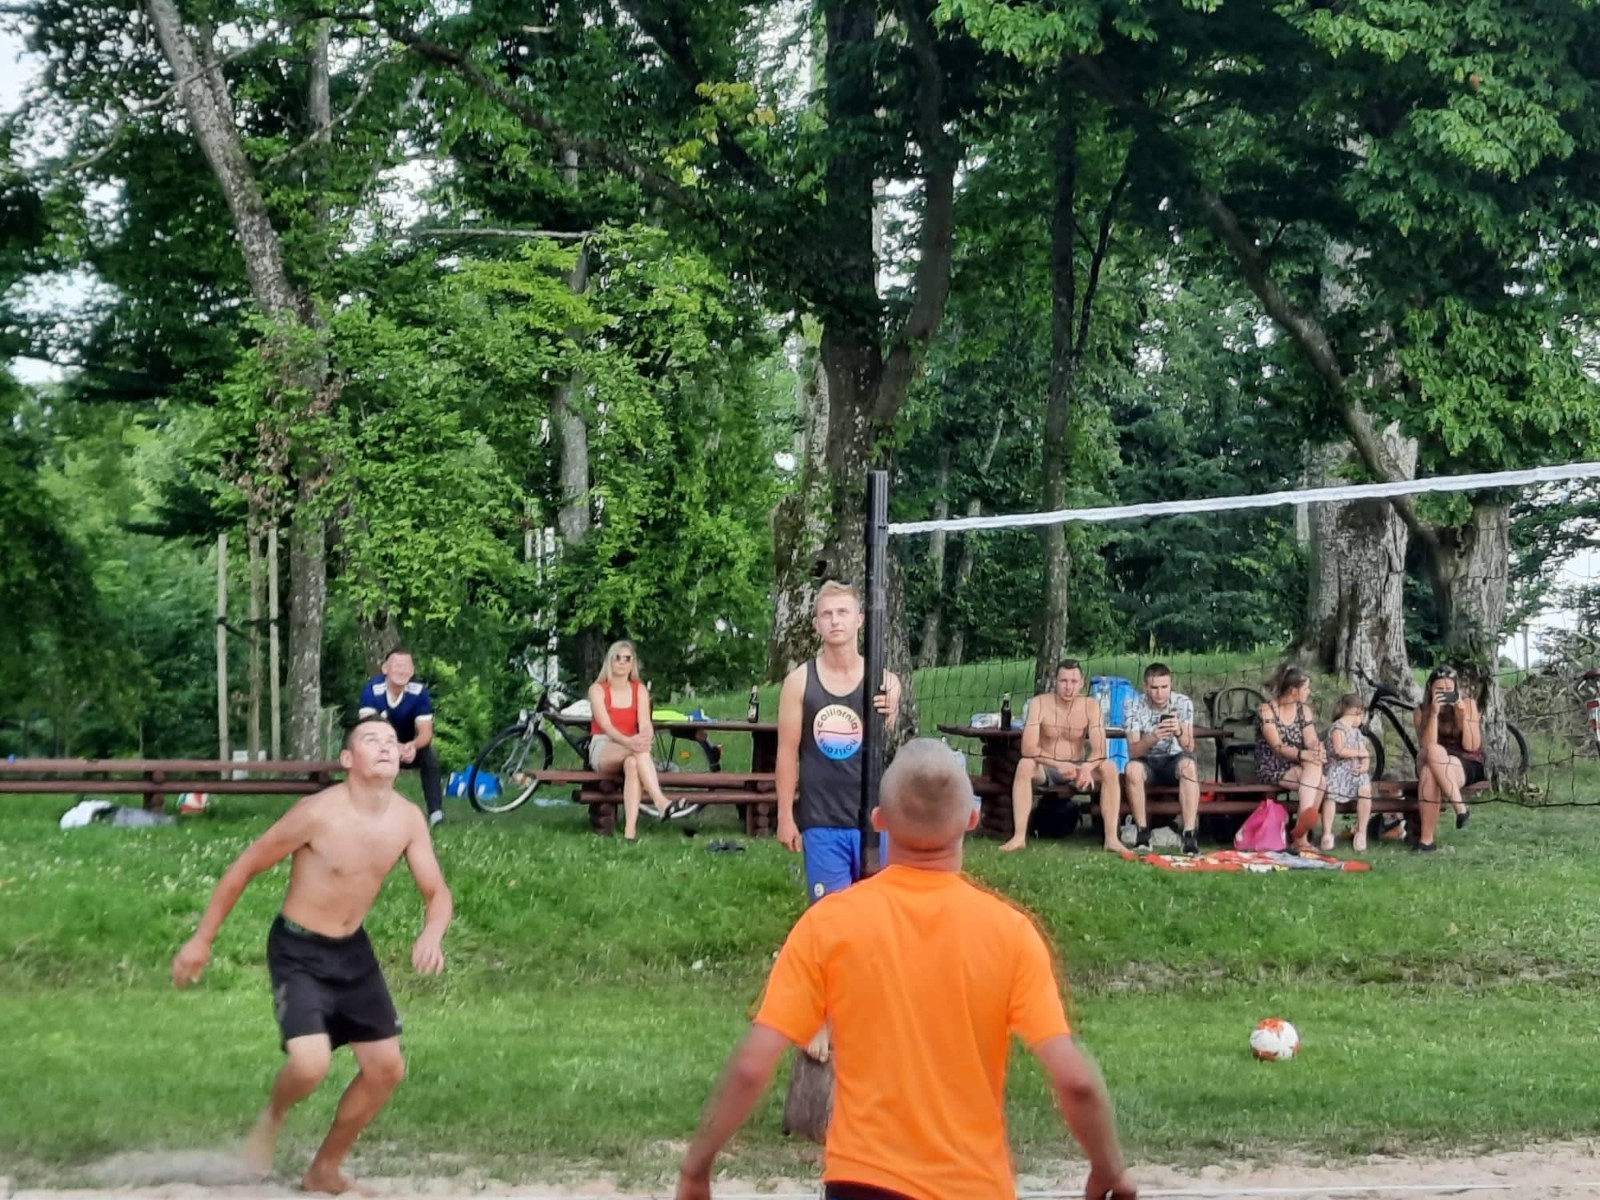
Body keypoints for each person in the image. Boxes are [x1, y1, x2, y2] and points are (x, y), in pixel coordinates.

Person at [677, 738, 1135, 1200]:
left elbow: (752, 1067)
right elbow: (1075, 1081)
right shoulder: (1010, 933)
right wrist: (1108, 1168)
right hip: (972, 1185)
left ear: (879, 821)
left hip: (863, 1182)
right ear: (972, 819)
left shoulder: (831, 923)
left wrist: (697, 1168)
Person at [171, 717, 452, 1195]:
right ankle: (274, 1115)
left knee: (386, 1069)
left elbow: (437, 891)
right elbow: (244, 868)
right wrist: (201, 940)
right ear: (347, 759)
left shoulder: (407, 819)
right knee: (309, 1065)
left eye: (391, 740)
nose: (386, 746)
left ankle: (324, 1169)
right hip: (299, 949)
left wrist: (433, 932)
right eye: (372, 740)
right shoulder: (316, 813)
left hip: (353, 953)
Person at [775, 581, 902, 902]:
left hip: (875, 817)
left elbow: (887, 737)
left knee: (877, 910)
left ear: (859, 619)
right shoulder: (799, 682)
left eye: (843, 612)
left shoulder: (884, 682)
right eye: (827, 614)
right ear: (816, 624)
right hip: (821, 818)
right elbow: (786, 753)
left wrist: (892, 709)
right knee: (832, 914)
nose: (835, 621)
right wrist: (785, 815)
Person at [1001, 659, 1128, 854]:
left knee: (1110, 768)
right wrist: (1058, 764)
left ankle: (1111, 838)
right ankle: (1019, 837)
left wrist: (1087, 767)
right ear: (1055, 682)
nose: (1069, 687)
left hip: (1078, 768)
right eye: (1064, 681)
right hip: (1047, 767)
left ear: (1082, 683)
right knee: (1025, 765)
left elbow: (1100, 750)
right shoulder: (1039, 704)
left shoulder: (1091, 706)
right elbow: (1028, 748)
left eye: (1074, 681)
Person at [587, 639, 680, 840]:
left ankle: (630, 831)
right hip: (604, 744)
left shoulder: (640, 689)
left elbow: (645, 722)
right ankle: (660, 801)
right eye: (617, 658)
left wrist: (645, 736)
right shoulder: (597, 689)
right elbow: (606, 726)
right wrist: (631, 743)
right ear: (609, 662)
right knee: (638, 751)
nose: (622, 662)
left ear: (633, 664)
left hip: (633, 746)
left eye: (627, 658)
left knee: (632, 764)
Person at [358, 648, 444, 828]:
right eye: (397, 665)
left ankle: (436, 813)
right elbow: (368, 727)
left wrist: (413, 746)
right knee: (364, 754)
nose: (401, 670)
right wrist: (391, 746)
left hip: (409, 748)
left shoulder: (419, 692)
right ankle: (371, 808)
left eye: (406, 666)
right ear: (385, 668)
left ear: (412, 671)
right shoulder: (372, 690)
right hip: (380, 745)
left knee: (430, 757)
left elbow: (426, 732)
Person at [1122, 662, 1201, 856]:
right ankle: (1142, 833)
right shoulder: (1133, 704)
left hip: (1174, 759)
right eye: (1154, 687)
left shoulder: (1182, 703)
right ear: (1145, 687)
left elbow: (1189, 747)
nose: (1159, 693)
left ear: (1171, 685)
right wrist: (1153, 737)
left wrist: (1179, 731)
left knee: (1189, 767)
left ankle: (1189, 835)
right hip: (1146, 761)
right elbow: (1133, 751)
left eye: (1164, 687)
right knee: (1132, 769)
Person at [1253, 666, 1326, 854]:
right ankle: (1301, 835)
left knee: (1316, 771)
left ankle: (1302, 830)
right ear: (1294, 691)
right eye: (1306, 688)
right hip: (1273, 764)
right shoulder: (1267, 710)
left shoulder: (1304, 710)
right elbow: (1277, 747)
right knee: (1320, 782)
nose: (1309, 692)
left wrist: (1316, 748)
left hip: (1298, 763)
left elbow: (1310, 739)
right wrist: (1304, 755)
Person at [1414, 665, 1479, 852]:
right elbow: (1427, 747)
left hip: (1464, 761)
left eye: (1448, 690)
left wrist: (1463, 716)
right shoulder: (1421, 711)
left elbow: (1472, 746)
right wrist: (1434, 714)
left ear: (1456, 690)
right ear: (1430, 689)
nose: (1444, 694)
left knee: (1430, 768)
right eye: (1439, 690)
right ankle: (1460, 810)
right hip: (1433, 759)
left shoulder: (1468, 705)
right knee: (1432, 757)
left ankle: (1427, 840)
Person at [1324, 693, 1374, 853]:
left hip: (1355, 770)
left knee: (1365, 790)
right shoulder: (1338, 728)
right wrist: (1359, 753)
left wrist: (1365, 764)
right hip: (1338, 769)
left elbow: (1365, 753)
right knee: (1330, 796)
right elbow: (1339, 750)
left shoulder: (1356, 732)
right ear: (1358, 712)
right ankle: (1327, 833)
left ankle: (1361, 831)